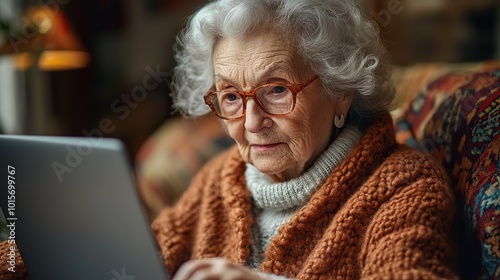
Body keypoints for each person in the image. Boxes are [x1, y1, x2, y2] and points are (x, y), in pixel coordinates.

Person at [0, 0, 459, 279]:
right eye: (231, 97)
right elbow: (132, 258)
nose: (252, 120)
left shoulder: (403, 187)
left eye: (277, 89)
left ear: (340, 91)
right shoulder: (221, 179)